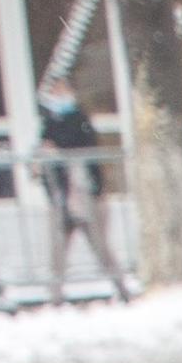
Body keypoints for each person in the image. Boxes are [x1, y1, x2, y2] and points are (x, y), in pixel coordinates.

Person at [32, 86, 133, 304]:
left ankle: (121, 288)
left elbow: (80, 147)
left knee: (99, 245)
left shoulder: (79, 120)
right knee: (58, 248)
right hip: (61, 196)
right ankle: (55, 295)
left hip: (86, 194)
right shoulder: (49, 122)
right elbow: (43, 151)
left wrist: (56, 148)